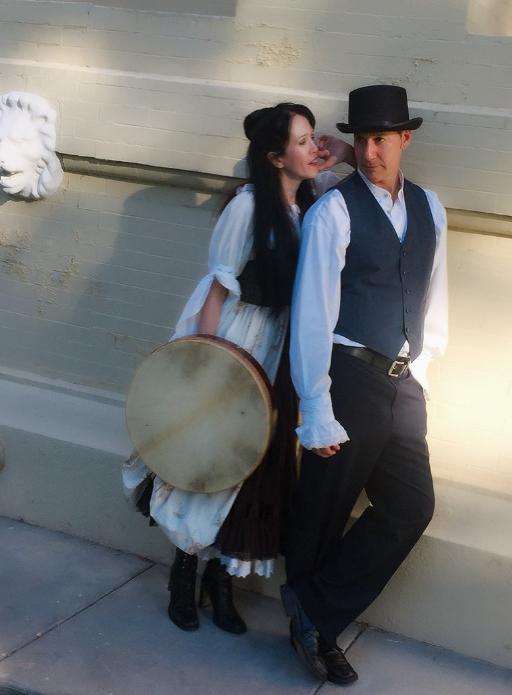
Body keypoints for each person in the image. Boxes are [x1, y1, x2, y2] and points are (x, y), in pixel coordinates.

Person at [123, 102, 353, 636]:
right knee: (211, 453)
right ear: (274, 157)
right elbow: (218, 287)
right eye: (302, 141)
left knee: (253, 468)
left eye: (313, 137)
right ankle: (184, 572)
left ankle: (221, 581)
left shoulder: (315, 201)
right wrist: (207, 363)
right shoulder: (248, 207)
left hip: (284, 347)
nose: (314, 148)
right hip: (240, 338)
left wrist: (339, 152)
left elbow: (353, 181)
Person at [282, 85, 448, 685]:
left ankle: (313, 610)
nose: (371, 152)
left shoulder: (431, 207)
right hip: (347, 375)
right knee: (324, 507)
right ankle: (316, 632)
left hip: (402, 384)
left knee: (411, 506)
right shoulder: (335, 210)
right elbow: (312, 312)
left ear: (405, 139)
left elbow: (434, 296)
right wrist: (315, 405)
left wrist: (422, 370)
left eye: (382, 139)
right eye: (362, 140)